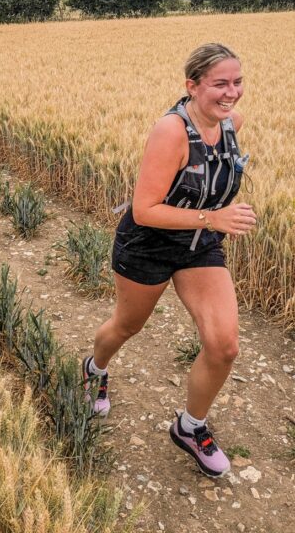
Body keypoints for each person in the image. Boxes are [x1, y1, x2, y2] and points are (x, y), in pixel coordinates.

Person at [83, 43, 256, 478]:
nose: (231, 92)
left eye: (237, 82)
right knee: (127, 326)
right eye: (220, 83)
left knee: (224, 345)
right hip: (148, 244)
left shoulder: (232, 124)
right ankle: (95, 368)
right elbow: (144, 210)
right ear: (192, 86)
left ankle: (190, 427)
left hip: (199, 246)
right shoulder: (172, 131)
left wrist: (213, 221)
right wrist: (214, 216)